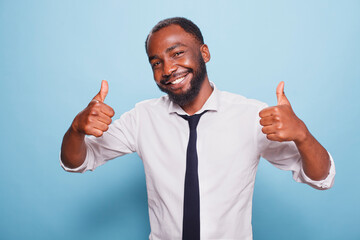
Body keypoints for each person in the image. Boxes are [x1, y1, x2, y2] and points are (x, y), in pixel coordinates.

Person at [60, 17, 335, 240]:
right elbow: (77, 162)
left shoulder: (251, 115)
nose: (167, 69)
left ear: (204, 53)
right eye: (156, 63)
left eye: (177, 53)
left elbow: (321, 178)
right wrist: (76, 130)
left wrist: (303, 135)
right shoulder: (142, 117)